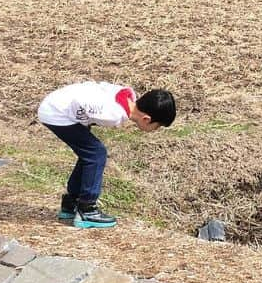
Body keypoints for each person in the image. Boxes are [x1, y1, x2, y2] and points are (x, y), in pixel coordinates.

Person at [38, 82, 176, 229]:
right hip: (56, 113)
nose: (155, 130)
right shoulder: (113, 115)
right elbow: (85, 102)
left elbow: (102, 88)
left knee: (89, 153)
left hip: (57, 106)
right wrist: (82, 116)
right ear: (146, 119)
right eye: (158, 126)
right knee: (97, 153)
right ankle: (87, 209)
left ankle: (72, 202)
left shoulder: (127, 96)